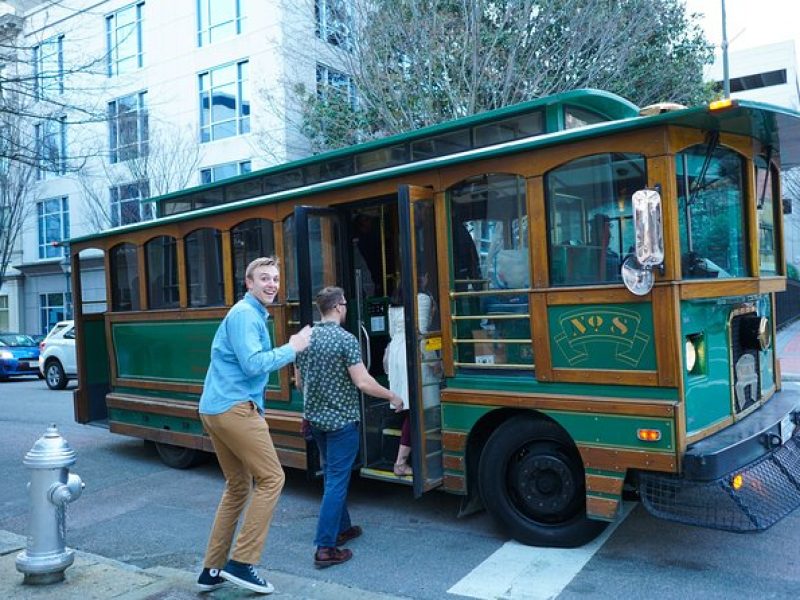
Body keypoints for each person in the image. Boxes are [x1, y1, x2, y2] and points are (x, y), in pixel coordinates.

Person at [196, 256, 312, 595]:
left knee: (237, 487)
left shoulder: (247, 314)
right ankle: (242, 563)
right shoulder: (246, 315)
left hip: (215, 407)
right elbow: (252, 365)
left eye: (275, 279)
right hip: (235, 408)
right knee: (273, 477)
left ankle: (212, 569)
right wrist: (293, 348)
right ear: (248, 283)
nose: (272, 284)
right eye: (264, 278)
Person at [295, 286, 403, 568]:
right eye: (345, 304)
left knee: (332, 476)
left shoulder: (303, 339)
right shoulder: (346, 340)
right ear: (340, 307)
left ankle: (342, 529)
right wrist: (392, 395)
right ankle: (325, 547)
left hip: (316, 421)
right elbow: (363, 382)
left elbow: (299, 382)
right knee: (336, 482)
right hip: (341, 423)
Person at [384, 275, 435, 476]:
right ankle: (400, 462)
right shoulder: (422, 298)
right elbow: (420, 332)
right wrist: (432, 360)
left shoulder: (394, 301)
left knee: (409, 407)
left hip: (397, 352)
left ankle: (404, 459)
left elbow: (392, 332)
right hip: (413, 353)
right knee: (418, 408)